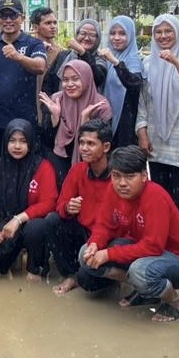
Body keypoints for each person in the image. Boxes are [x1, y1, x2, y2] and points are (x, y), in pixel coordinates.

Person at [77, 146, 179, 323]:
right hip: (145, 253)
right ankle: (146, 290)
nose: (122, 183)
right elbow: (103, 225)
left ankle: (173, 303)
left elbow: (153, 246)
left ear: (144, 176)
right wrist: (95, 243)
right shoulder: (113, 190)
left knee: (139, 271)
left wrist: (108, 254)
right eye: (116, 176)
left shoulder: (155, 196)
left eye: (129, 176)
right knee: (85, 254)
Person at [136, 14, 179, 221]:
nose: (163, 36)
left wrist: (175, 61)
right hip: (156, 143)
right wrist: (142, 132)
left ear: (177, 33)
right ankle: (162, 237)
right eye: (158, 32)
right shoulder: (148, 63)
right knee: (159, 198)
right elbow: (143, 102)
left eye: (168, 31)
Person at [0, 119, 58, 279]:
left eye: (23, 141)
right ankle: (5, 267)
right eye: (12, 141)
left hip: (31, 222)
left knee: (36, 229)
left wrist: (19, 219)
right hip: (5, 221)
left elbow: (49, 203)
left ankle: (35, 270)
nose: (17, 146)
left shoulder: (43, 167)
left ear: (31, 143)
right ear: (5, 142)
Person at [0, 0, 48, 167]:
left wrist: (18, 57)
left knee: (24, 169)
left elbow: (40, 66)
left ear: (22, 18)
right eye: (4, 16)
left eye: (13, 16)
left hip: (24, 122)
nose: (8, 20)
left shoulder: (34, 44)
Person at [49, 119, 113, 295]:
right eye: (82, 143)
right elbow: (60, 205)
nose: (84, 148)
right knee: (53, 220)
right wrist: (68, 208)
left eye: (90, 144)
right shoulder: (78, 170)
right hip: (84, 232)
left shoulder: (118, 176)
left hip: (109, 238)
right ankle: (70, 274)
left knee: (88, 282)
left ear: (106, 147)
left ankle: (114, 277)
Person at [38, 59, 111, 180]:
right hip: (58, 164)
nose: (70, 84)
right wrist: (55, 118)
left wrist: (85, 121)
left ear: (86, 79)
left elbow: (102, 146)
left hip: (90, 167)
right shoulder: (57, 100)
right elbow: (47, 142)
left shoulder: (100, 105)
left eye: (75, 79)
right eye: (65, 80)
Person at [98, 15, 144, 148]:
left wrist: (116, 63)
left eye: (122, 33)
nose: (116, 38)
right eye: (112, 33)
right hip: (108, 117)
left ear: (130, 35)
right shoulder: (107, 57)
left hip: (126, 121)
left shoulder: (133, 59)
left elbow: (134, 84)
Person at [31, 7, 66, 154]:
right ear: (35, 27)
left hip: (51, 110)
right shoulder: (27, 48)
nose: (53, 26)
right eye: (48, 23)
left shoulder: (62, 52)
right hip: (29, 107)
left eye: (55, 22)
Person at [60, 18, 108, 91]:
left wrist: (83, 52)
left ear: (98, 39)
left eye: (92, 35)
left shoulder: (101, 58)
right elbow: (52, 81)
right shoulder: (65, 55)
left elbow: (97, 79)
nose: (86, 38)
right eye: (83, 33)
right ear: (77, 34)